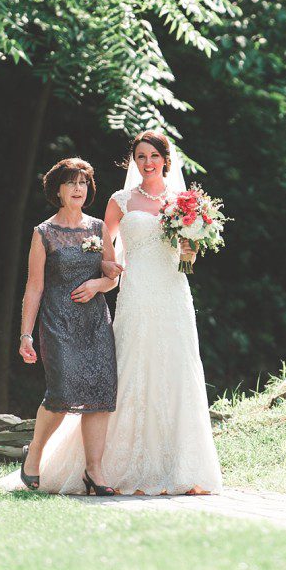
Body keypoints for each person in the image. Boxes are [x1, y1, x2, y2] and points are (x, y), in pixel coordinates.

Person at [100, 130, 222, 495]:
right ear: (133, 162)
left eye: (153, 156)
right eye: (140, 157)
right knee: (132, 364)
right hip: (136, 291)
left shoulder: (184, 202)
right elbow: (106, 246)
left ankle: (182, 468)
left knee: (176, 368)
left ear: (166, 159)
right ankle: (118, 468)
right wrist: (107, 269)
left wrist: (189, 249)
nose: (147, 162)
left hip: (172, 291)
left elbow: (191, 256)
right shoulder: (120, 200)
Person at [16, 157, 119, 496]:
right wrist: (26, 335)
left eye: (83, 183)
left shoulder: (97, 228)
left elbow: (110, 277)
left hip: (95, 323)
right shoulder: (43, 233)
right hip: (57, 323)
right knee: (61, 393)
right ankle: (35, 453)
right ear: (58, 190)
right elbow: (34, 287)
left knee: (101, 393)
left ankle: (95, 471)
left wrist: (99, 285)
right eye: (71, 183)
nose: (78, 188)